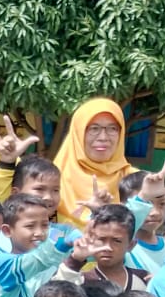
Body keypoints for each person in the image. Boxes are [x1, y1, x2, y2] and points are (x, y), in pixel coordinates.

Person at [53, 97, 134, 228]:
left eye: (112, 129)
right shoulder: (52, 177)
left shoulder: (135, 180)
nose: (103, 137)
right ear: (78, 133)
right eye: (94, 129)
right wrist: (7, 164)